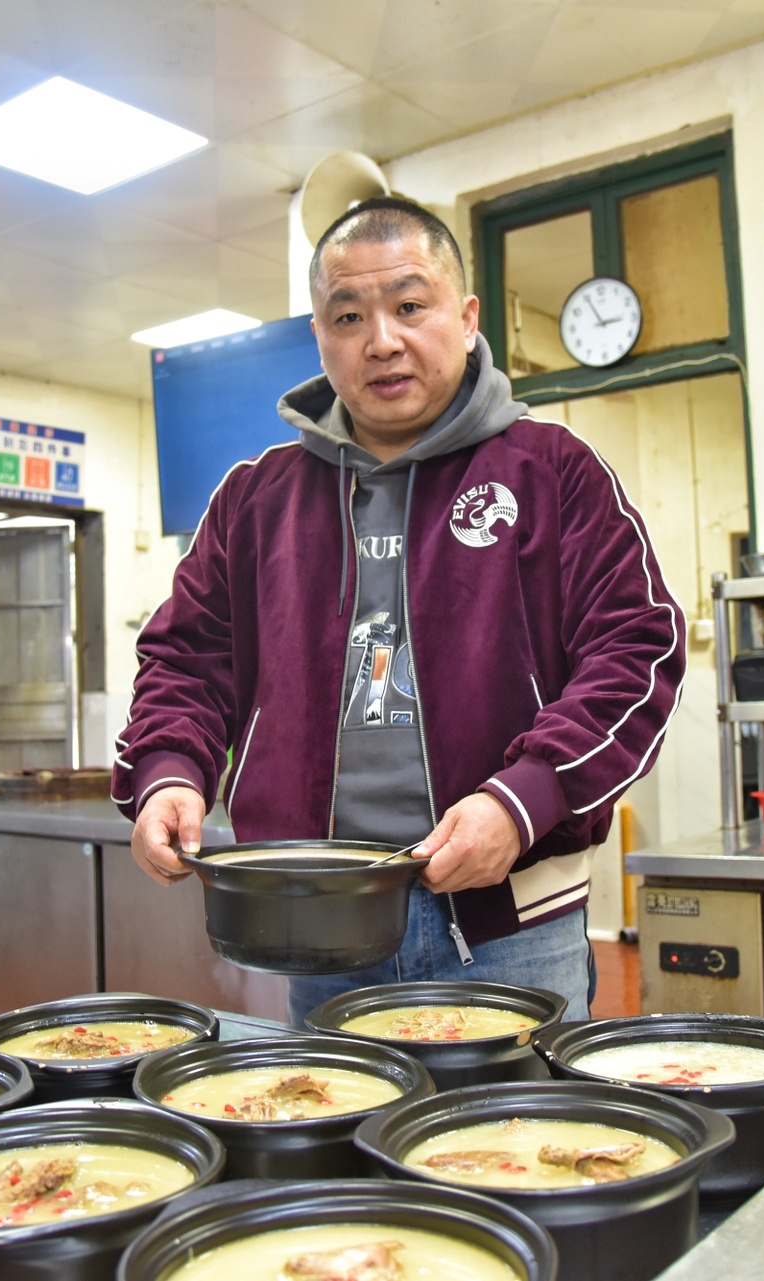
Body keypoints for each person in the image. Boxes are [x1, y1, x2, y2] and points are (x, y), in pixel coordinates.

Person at [115, 196, 682, 1024]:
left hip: (510, 918)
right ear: (319, 335)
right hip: (321, 917)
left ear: (466, 317)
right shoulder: (256, 501)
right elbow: (184, 661)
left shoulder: (552, 472)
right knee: (334, 1107)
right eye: (348, 316)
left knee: (516, 1111)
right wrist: (168, 769)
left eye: (410, 305)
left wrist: (522, 799)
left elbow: (637, 652)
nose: (381, 340)